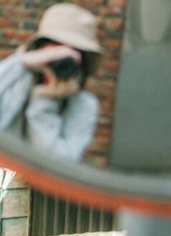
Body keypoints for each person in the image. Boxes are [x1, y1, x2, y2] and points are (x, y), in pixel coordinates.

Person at [0, 3, 100, 161]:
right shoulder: (18, 79)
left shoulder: (84, 104)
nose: (60, 59)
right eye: (55, 48)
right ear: (40, 48)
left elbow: (61, 165)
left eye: (71, 55)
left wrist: (45, 102)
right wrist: (22, 62)